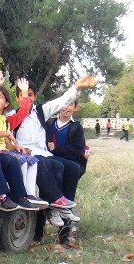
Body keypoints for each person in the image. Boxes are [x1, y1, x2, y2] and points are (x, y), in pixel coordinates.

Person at [7, 75, 96, 242]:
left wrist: (77, 87)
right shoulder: (13, 115)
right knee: (53, 165)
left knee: (71, 168)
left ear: (35, 97)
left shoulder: (41, 111)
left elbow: (62, 101)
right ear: (18, 97)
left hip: (43, 152)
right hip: (26, 154)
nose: (28, 98)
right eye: (24, 95)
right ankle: (54, 203)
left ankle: (63, 208)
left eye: (31, 94)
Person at [0, 77, 46, 209]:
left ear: (6, 103)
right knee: (16, 161)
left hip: (3, 150)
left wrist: (18, 148)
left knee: (30, 159)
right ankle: (17, 194)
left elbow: (21, 115)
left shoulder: (5, 120)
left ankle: (27, 194)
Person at [45, 101, 88, 245]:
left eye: (70, 105)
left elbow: (77, 149)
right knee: (45, 197)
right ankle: (37, 234)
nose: (66, 108)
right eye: (64, 104)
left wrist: (57, 148)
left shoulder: (76, 127)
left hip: (69, 167)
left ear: (75, 107)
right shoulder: (49, 123)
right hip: (51, 164)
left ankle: (64, 237)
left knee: (67, 200)